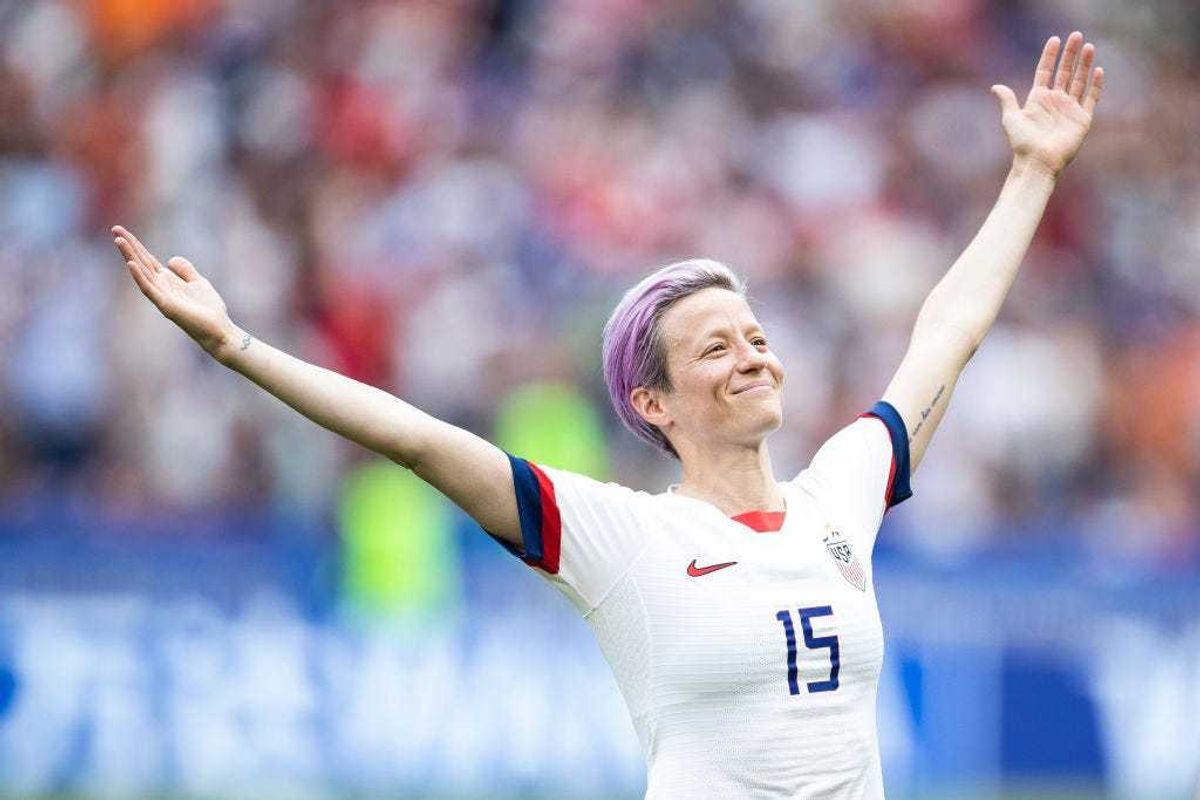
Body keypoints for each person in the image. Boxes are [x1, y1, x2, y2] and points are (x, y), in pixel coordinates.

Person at [113, 31, 1104, 800]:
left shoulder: (837, 497)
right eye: (714, 347)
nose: (752, 355)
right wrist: (237, 347)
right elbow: (413, 439)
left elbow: (946, 337)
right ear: (651, 402)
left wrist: (1032, 174)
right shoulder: (624, 538)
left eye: (755, 335)